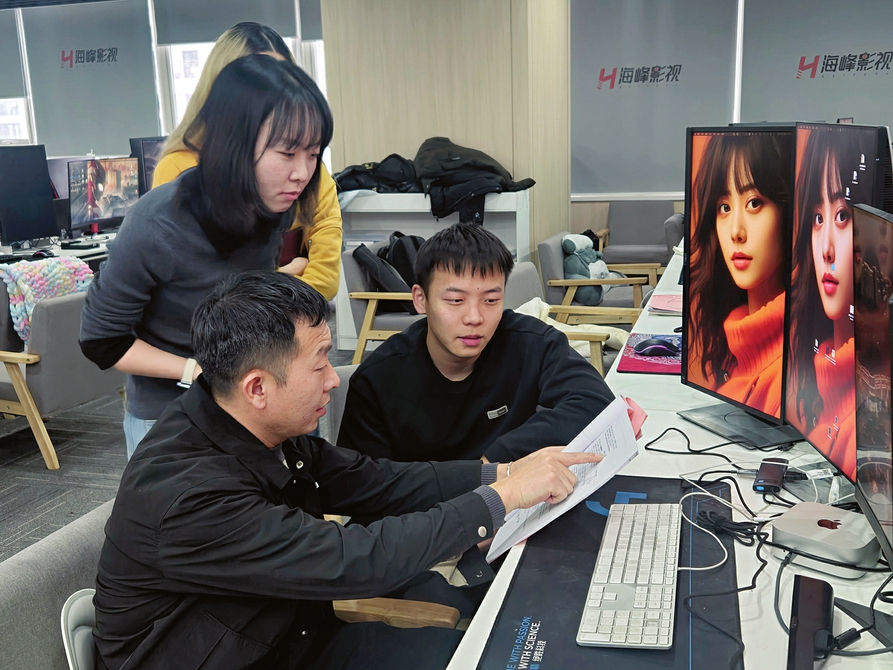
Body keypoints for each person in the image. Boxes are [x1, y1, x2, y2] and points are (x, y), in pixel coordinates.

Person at [92, 270, 602, 670]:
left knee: (482, 654)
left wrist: (501, 474)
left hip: (293, 639)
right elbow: (354, 558)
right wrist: (502, 499)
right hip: (243, 657)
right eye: (319, 364)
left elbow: (376, 481)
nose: (333, 380)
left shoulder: (248, 422)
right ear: (257, 387)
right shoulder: (192, 497)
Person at [79, 54, 333, 459]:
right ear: (234, 146)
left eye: (313, 154)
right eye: (288, 154)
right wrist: (194, 370)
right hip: (170, 418)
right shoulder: (156, 223)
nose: (303, 173)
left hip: (250, 409)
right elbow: (102, 342)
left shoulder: (273, 204)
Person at [338, 223, 615, 464]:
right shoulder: (379, 379)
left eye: (491, 300)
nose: (474, 317)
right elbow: (364, 486)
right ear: (420, 299)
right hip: (425, 509)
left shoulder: (529, 342)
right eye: (455, 300)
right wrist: (476, 476)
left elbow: (597, 403)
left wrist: (496, 459)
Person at [153, 22, 342, 300]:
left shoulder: (306, 166)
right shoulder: (179, 168)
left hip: (299, 315)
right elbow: (196, 286)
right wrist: (288, 273)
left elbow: (326, 272)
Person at [687, 133, 792, 418]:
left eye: (754, 203)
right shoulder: (735, 346)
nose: (736, 231)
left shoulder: (789, 375)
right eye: (724, 207)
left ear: (789, 210)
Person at [788, 129, 872, 481]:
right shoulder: (814, 374)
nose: (825, 249)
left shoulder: (868, 418)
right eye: (817, 218)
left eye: (842, 216)